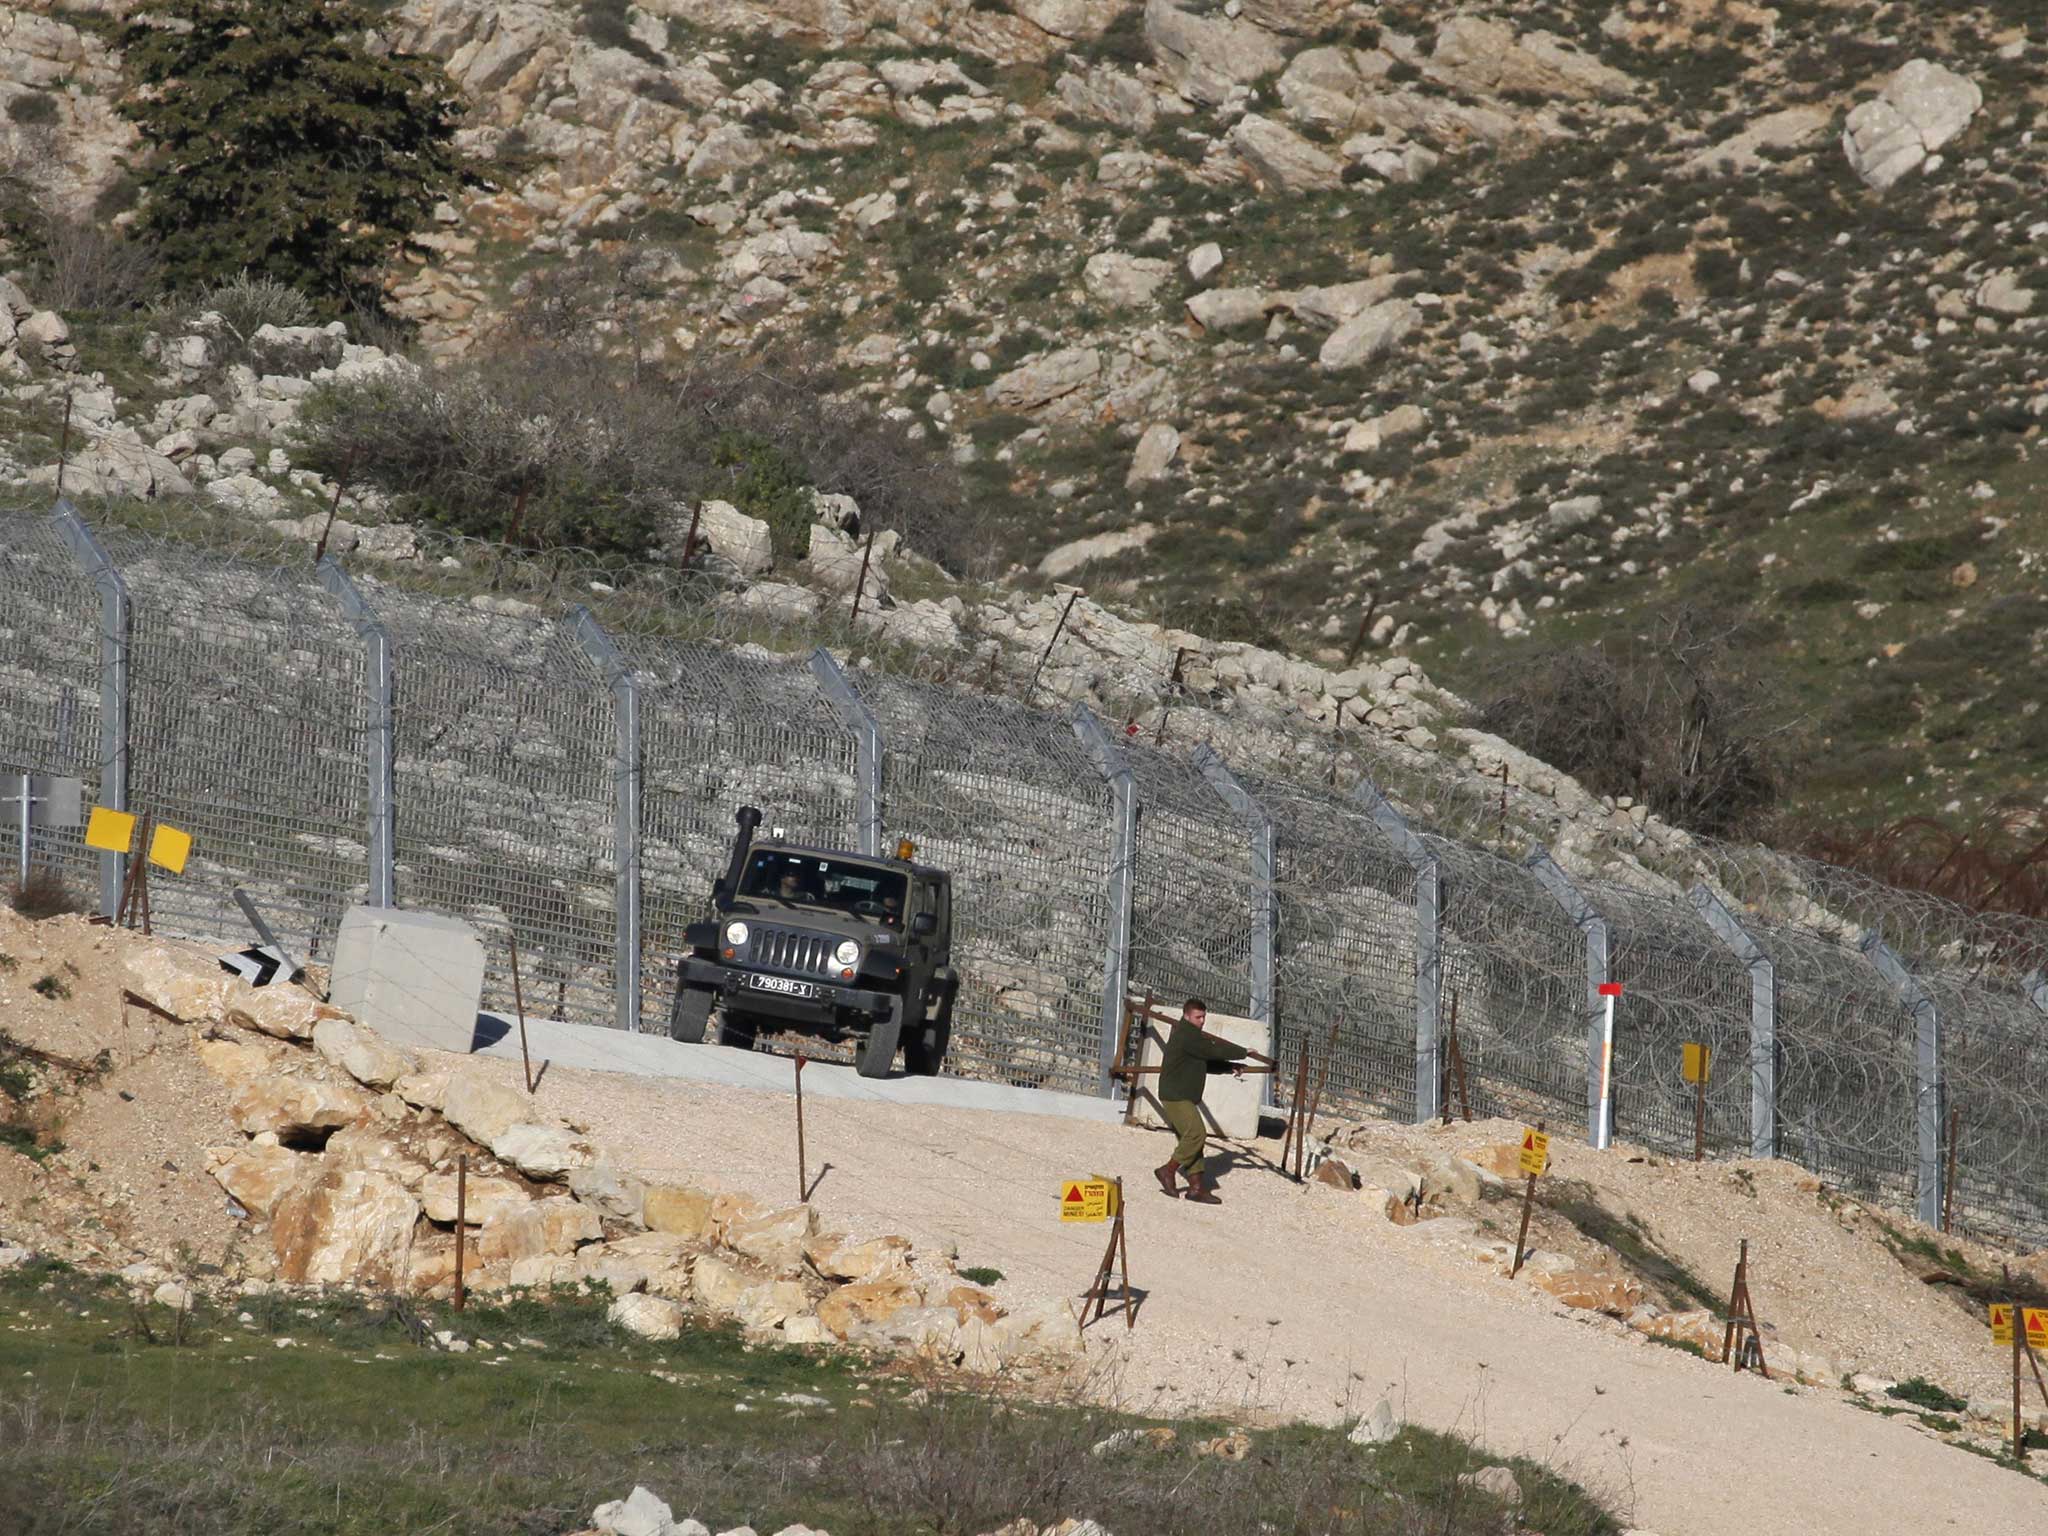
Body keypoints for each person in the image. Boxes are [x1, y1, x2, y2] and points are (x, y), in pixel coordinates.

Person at [1152, 997, 1249, 1205]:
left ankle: (1196, 1189)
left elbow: (1203, 1061)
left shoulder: (1191, 1037)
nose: (1202, 1021)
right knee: (1197, 1134)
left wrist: (1228, 1066)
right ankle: (1167, 1171)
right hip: (1176, 1096)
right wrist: (1243, 1052)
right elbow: (1212, 1051)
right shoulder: (1187, 1035)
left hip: (1181, 1095)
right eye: (1198, 1017)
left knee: (1193, 1142)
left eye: (1204, 1016)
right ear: (1187, 1016)